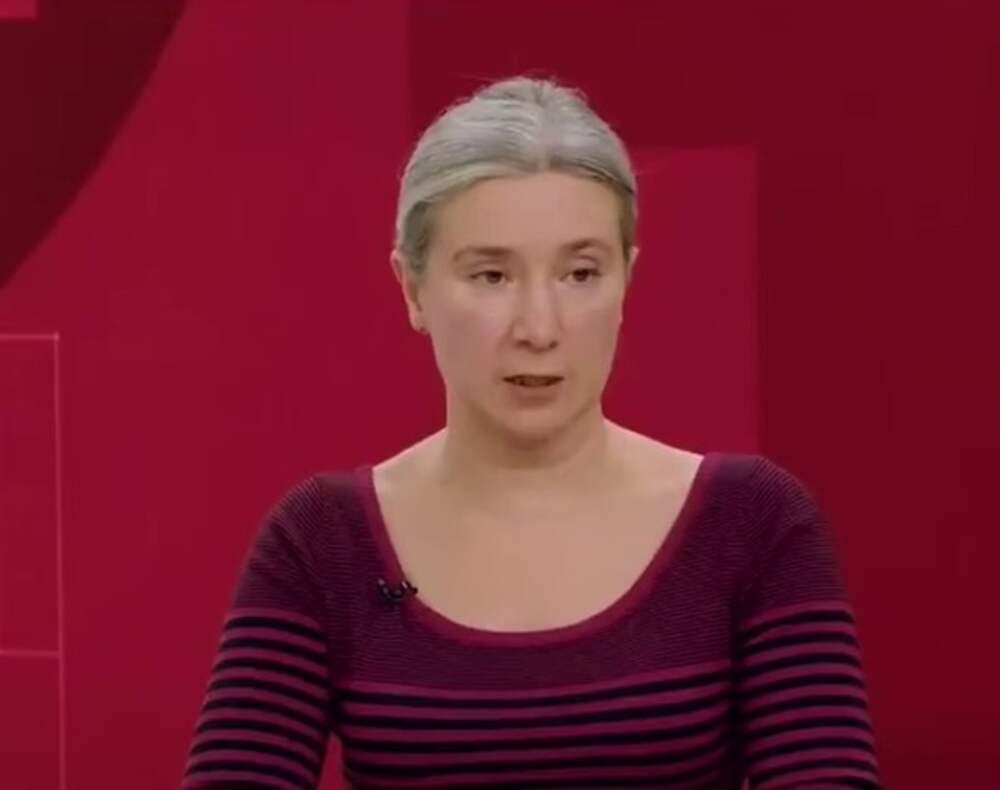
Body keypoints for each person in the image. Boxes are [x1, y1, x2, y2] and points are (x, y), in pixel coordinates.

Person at [181, 75, 881, 789]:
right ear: (412, 289)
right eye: (491, 276)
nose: (539, 329)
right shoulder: (323, 543)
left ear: (626, 281)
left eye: (580, 274)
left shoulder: (752, 523)